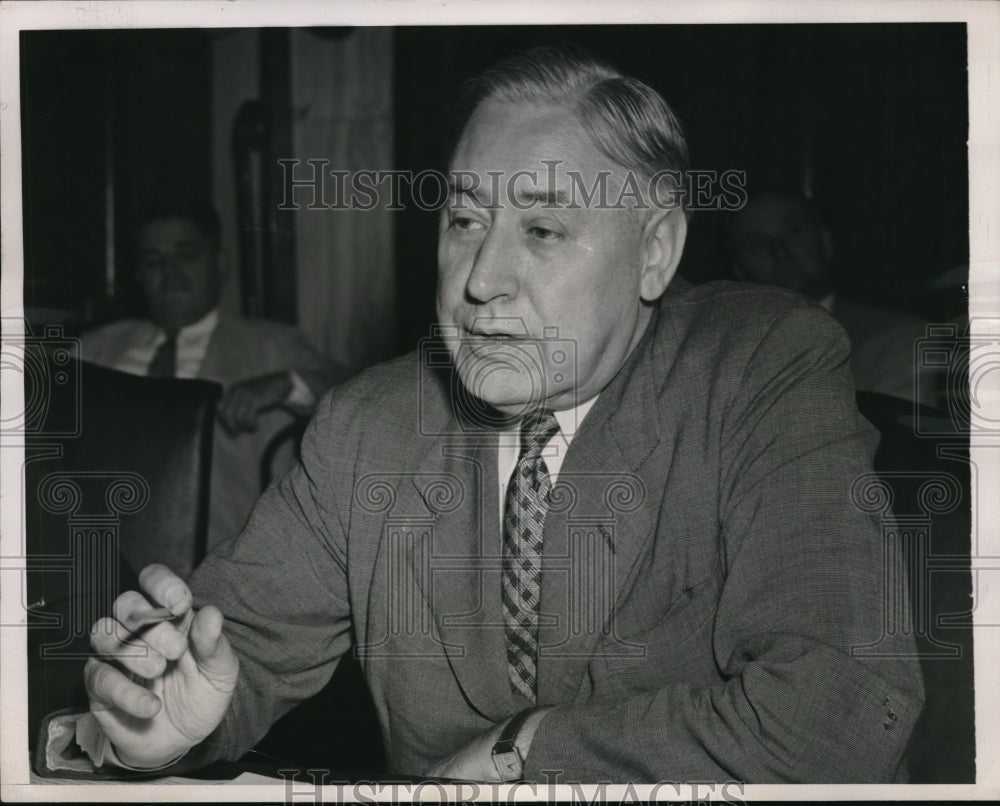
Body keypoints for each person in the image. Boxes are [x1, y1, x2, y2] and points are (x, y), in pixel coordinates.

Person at [79, 48, 922, 783]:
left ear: (655, 250)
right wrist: (157, 721)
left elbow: (841, 708)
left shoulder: (761, 369)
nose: (480, 278)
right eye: (465, 220)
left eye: (543, 228)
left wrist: (526, 752)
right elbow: (234, 650)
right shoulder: (368, 427)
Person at [81, 198, 338, 557]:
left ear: (220, 264)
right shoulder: (98, 347)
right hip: (106, 555)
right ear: (138, 274)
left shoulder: (271, 345)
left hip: (222, 560)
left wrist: (285, 382)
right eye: (153, 261)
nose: (170, 274)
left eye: (187, 256)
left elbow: (352, 393)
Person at [725, 187, 936, 407]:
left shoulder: (895, 339)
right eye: (757, 244)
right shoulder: (731, 362)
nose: (780, 253)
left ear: (825, 241)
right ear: (739, 272)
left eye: (793, 231)